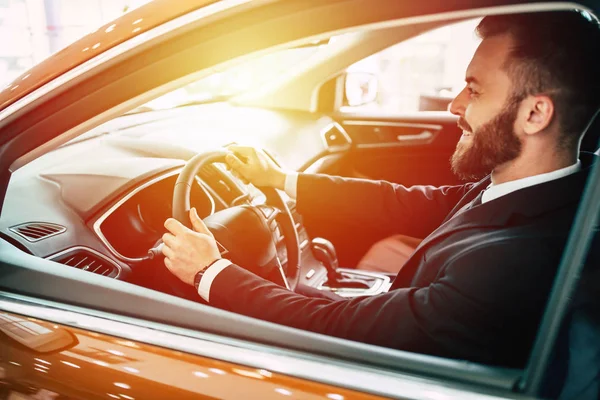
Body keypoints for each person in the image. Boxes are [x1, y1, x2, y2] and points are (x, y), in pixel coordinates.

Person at [160, 11, 600, 367]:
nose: (454, 106)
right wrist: (283, 181)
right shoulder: (553, 190)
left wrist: (209, 272)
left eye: (474, 90)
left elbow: (331, 328)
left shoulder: (514, 264)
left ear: (535, 114)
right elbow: (412, 203)